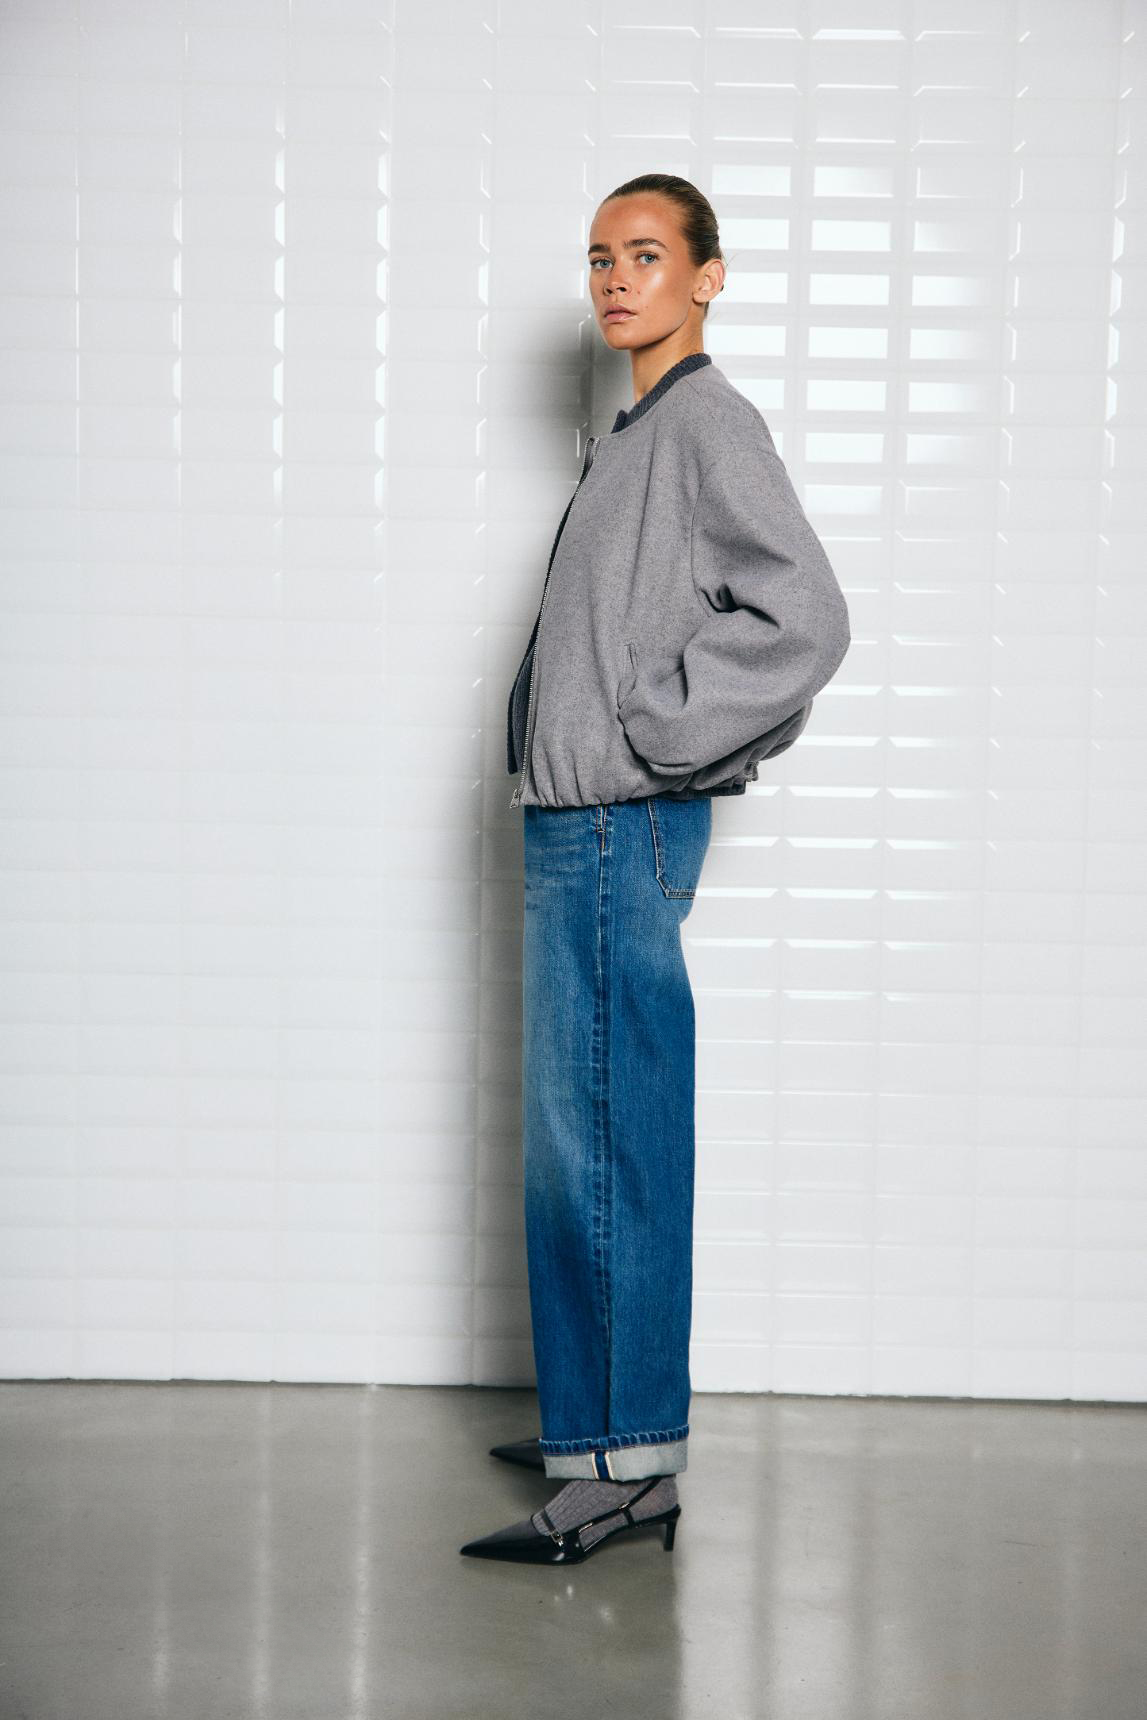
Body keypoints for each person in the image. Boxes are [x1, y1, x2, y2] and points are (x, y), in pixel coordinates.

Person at [460, 173, 851, 1566]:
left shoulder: (705, 423)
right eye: (599, 260)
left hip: (617, 825)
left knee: (605, 1149)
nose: (617, 280)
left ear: (709, 275)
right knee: (577, 1150)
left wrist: (653, 733)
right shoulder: (639, 430)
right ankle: (597, 1420)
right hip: (581, 825)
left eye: (645, 255)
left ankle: (625, 1465)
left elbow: (805, 617)